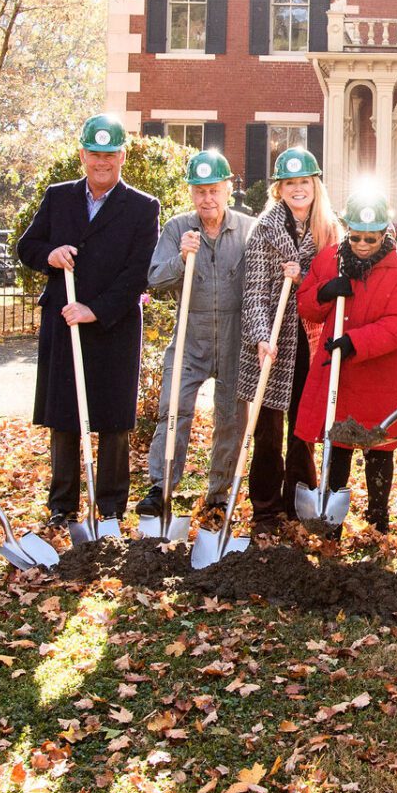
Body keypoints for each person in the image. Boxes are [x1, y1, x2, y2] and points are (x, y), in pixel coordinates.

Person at [16, 115, 161, 531]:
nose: (102, 163)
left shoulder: (141, 207)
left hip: (113, 324)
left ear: (122, 157)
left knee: (114, 419)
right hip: (64, 322)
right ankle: (63, 506)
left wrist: (95, 309)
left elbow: (139, 271)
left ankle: (111, 507)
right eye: (94, 155)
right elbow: (27, 246)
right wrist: (50, 254)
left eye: (110, 155)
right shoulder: (58, 197)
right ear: (82, 155)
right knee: (65, 416)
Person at [294, 189, 397, 539]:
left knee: (378, 444)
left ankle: (378, 518)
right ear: (347, 230)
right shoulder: (330, 260)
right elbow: (306, 305)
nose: (363, 244)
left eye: (371, 237)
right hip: (338, 369)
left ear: (385, 234)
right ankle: (331, 518)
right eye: (356, 236)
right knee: (339, 443)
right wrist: (323, 293)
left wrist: (356, 342)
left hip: (379, 373)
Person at [137, 151, 251, 527]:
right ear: (191, 194)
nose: (207, 199)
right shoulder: (177, 229)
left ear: (228, 190)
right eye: (200, 192)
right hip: (191, 333)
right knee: (174, 408)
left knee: (230, 417)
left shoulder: (248, 229)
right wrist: (180, 259)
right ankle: (161, 488)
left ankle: (218, 495)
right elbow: (155, 279)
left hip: (236, 335)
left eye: (214, 190)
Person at [239, 147, 336, 534]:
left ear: (315, 186)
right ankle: (264, 508)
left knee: (303, 427)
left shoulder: (330, 229)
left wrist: (303, 277)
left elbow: (332, 286)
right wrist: (261, 338)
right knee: (267, 429)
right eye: (290, 183)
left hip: (310, 342)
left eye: (305, 183)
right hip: (272, 343)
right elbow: (255, 293)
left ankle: (298, 501)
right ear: (279, 189)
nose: (298, 190)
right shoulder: (264, 230)